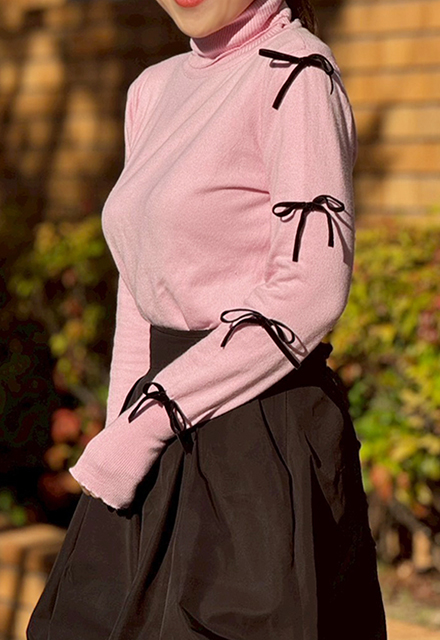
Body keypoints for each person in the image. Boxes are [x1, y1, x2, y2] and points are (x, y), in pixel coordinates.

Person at [27, 0, 388, 638]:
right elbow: (140, 280)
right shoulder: (152, 88)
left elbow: (311, 290)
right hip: (155, 421)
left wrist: (146, 422)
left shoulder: (296, 72)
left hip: (259, 433)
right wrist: (122, 434)